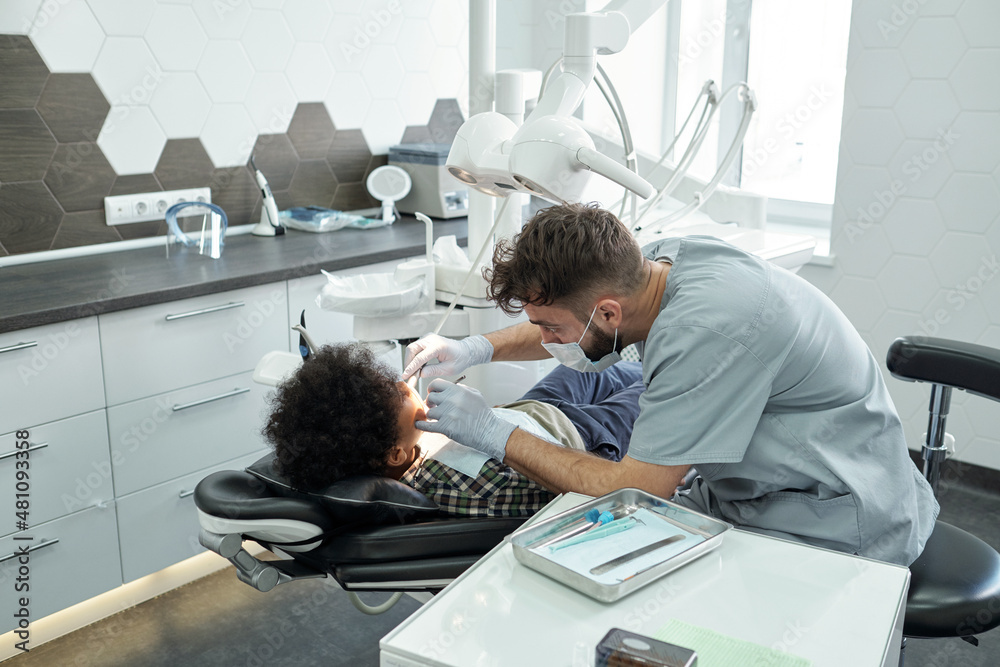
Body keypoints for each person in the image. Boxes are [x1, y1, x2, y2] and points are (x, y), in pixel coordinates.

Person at [403, 202, 939, 566]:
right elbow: (566, 318)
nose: (545, 339)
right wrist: (476, 347)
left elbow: (634, 488)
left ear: (608, 313)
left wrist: (495, 433)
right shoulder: (656, 265)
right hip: (757, 486)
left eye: (550, 330)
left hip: (836, 514)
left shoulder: (706, 331)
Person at [262, 342, 644, 517]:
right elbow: (568, 487)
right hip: (580, 436)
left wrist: (474, 349)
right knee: (650, 385)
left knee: (590, 364)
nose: (403, 383)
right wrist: (489, 430)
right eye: (398, 394)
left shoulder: (404, 453)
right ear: (394, 453)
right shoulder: (465, 483)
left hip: (532, 408)